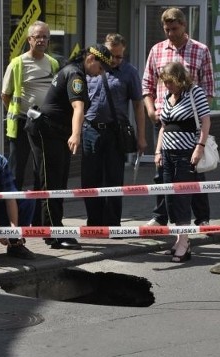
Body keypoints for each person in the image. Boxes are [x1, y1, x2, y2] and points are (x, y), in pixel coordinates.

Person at [28, 44, 112, 249]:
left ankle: (46, 229)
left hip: (53, 132)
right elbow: (78, 106)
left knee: (52, 182)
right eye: (100, 68)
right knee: (52, 184)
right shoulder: (75, 74)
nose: (100, 73)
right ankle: (55, 234)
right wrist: (76, 134)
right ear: (91, 59)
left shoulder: (72, 70)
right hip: (49, 132)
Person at [141, 7, 215, 229]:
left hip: (190, 123)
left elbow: (209, 88)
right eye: (167, 29)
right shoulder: (157, 50)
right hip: (165, 121)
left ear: (184, 26)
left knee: (194, 170)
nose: (170, 33)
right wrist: (150, 109)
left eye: (174, 28)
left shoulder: (200, 51)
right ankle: (160, 217)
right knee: (162, 171)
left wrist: (199, 117)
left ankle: (202, 219)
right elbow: (147, 84)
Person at [81, 33, 147, 227]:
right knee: (90, 178)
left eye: (120, 56)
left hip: (114, 131)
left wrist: (141, 136)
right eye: (112, 56)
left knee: (113, 178)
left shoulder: (129, 72)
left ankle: (112, 224)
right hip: (90, 129)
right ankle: (94, 222)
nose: (117, 60)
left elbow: (138, 105)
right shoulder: (90, 69)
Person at [154, 62, 211, 263]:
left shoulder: (195, 93)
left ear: (179, 78)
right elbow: (163, 126)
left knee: (182, 197)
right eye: (165, 82)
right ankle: (179, 240)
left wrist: (199, 147)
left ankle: (185, 243)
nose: (167, 86)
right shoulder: (167, 96)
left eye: (170, 82)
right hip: (167, 154)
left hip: (186, 153)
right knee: (170, 198)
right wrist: (158, 150)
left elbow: (205, 121)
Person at [1, 21, 60, 192]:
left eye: (45, 37)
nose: (41, 40)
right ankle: (14, 213)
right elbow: (5, 95)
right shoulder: (17, 63)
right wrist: (19, 113)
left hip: (44, 123)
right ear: (29, 40)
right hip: (22, 123)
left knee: (40, 169)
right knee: (16, 170)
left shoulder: (53, 64)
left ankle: (37, 215)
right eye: (37, 37)